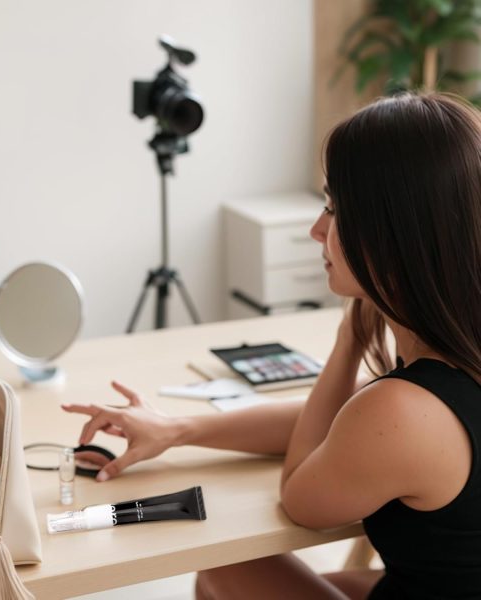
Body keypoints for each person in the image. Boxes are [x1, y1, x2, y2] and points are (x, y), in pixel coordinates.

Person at [63, 92, 481, 599]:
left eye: (333, 209)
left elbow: (301, 493)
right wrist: (178, 428)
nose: (315, 230)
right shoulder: (452, 358)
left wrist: (347, 341)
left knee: (224, 570)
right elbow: (348, 430)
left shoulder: (403, 409)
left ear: (390, 233)